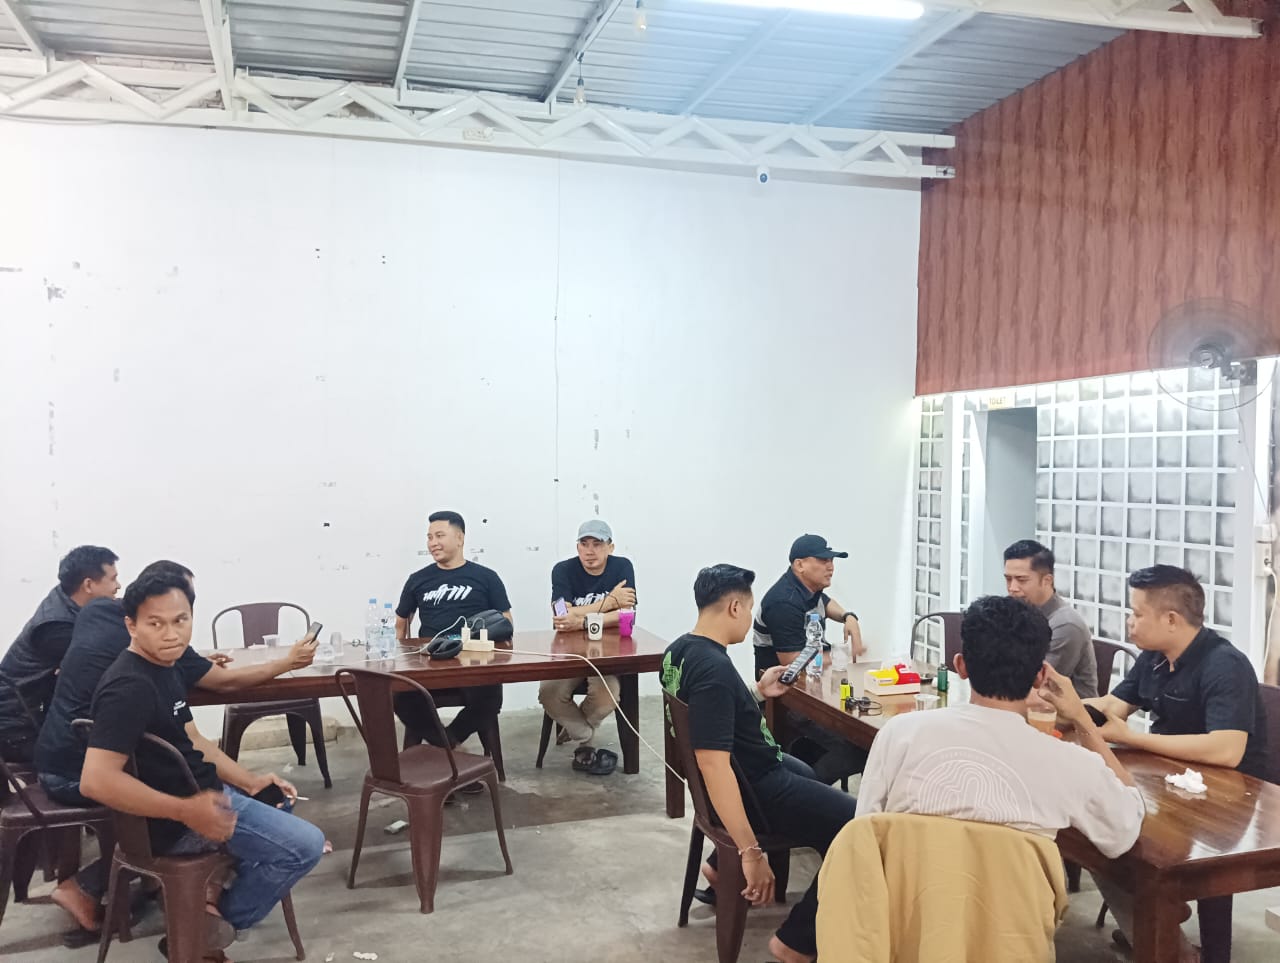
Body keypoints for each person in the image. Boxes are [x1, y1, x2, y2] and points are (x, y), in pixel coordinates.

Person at [33, 559, 320, 938]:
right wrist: (186, 810)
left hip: (199, 794)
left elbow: (194, 740)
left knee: (279, 798)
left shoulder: (164, 666)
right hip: (177, 819)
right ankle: (203, 932)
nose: (171, 634)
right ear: (131, 625)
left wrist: (249, 781)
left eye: (180, 620)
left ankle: (204, 901)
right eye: (156, 623)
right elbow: (95, 781)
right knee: (306, 846)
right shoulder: (129, 687)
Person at [662, 564, 857, 963]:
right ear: (735, 607)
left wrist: (757, 691)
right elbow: (713, 765)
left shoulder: (680, 650)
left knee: (808, 772)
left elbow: (711, 714)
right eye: (749, 610)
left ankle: (719, 870)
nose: (750, 618)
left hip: (756, 771)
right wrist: (749, 853)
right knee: (859, 827)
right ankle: (796, 941)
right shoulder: (714, 670)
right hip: (757, 787)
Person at [856, 594, 1144, 858]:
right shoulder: (1073, 764)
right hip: (1015, 900)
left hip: (909, 896)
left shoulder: (900, 733)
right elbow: (1124, 829)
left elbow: (864, 835)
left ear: (961, 666)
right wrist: (1081, 718)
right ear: (1041, 676)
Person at [1086, 565, 1267, 959]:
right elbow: (1114, 706)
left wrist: (1132, 737)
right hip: (1169, 780)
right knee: (1101, 830)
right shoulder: (1154, 656)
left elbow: (1227, 750)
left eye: (1137, 613)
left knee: (1136, 844)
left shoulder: (1225, 664)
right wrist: (1062, 704)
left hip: (1228, 798)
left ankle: (1188, 943)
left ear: (1171, 619)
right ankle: (1155, 929)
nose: (1130, 622)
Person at [394, 511, 512, 758]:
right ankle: (454, 750)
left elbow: (506, 621)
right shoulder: (418, 580)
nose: (433, 543)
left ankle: (447, 743)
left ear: (460, 538)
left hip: (473, 661)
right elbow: (401, 624)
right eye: (429, 537)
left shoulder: (486, 577)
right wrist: (402, 658)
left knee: (490, 698)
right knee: (400, 696)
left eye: (440, 536)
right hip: (431, 662)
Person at [752, 534, 867, 785]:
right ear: (800, 565)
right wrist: (843, 654)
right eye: (823, 560)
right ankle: (807, 790)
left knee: (862, 726)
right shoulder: (783, 602)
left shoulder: (809, 589)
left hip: (813, 687)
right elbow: (793, 661)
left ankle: (807, 774)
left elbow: (826, 603)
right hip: (787, 696)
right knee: (861, 744)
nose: (831, 566)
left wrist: (848, 617)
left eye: (832, 561)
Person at [0, 545, 119, 763]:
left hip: (35, 716)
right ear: (88, 585)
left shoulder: (67, 600)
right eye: (113, 579)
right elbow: (101, 666)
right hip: (18, 728)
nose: (118, 586)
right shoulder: (55, 627)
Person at [539, 519, 636, 775]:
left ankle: (571, 728)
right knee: (549, 693)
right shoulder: (562, 570)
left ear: (610, 547)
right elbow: (561, 615)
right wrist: (609, 603)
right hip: (567, 651)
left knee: (607, 696)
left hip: (608, 652)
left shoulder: (622, 567)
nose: (590, 551)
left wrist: (580, 620)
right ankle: (584, 735)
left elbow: (627, 615)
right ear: (577, 546)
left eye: (597, 544)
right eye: (584, 544)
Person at [1004, 539, 1098, 698]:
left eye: (1021, 580)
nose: (1012, 588)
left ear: (1047, 581)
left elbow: (1039, 686)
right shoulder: (1017, 612)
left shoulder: (1066, 624)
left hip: (1064, 711)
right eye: (1008, 579)